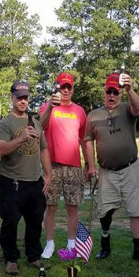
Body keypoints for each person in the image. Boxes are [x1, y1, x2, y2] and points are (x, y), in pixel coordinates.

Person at [86, 71, 139, 263]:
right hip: (106, 171)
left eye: (116, 92)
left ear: (120, 94)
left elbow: (138, 107)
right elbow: (88, 141)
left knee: (135, 209)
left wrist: (130, 89)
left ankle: (138, 250)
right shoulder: (93, 115)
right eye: (109, 92)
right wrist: (90, 166)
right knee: (105, 210)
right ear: (104, 93)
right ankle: (105, 244)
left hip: (130, 169)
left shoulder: (127, 109)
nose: (112, 96)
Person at [0, 81, 50, 275]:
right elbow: (1, 150)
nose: (23, 100)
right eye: (19, 97)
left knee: (35, 221)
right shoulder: (5, 123)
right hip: (12, 181)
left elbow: (43, 149)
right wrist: (20, 138)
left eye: (25, 97)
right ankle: (11, 258)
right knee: (11, 221)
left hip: (35, 182)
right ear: (12, 98)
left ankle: (34, 256)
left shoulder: (35, 122)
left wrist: (49, 175)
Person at [39, 72, 92, 259]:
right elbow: (40, 126)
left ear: (73, 89)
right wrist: (50, 108)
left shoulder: (79, 111)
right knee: (50, 206)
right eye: (63, 87)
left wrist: (90, 165)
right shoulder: (47, 106)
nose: (66, 90)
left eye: (69, 87)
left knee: (72, 207)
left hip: (74, 167)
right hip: (51, 165)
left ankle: (71, 244)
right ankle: (50, 244)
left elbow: (85, 139)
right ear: (57, 87)